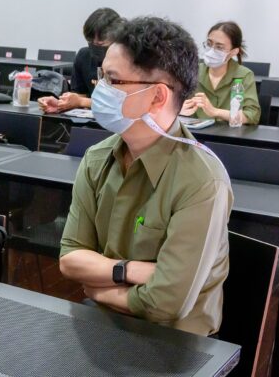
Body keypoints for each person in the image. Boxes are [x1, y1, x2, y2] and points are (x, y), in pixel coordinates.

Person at [59, 17, 233, 336]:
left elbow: (167, 303)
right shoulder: (97, 158)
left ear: (157, 97)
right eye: (102, 76)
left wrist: (98, 289)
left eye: (113, 80)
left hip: (176, 340)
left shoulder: (202, 181)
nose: (100, 89)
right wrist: (131, 270)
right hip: (104, 323)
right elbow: (70, 258)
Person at [38, 7, 122, 113]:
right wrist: (61, 104)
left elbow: (120, 103)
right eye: (91, 42)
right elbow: (79, 96)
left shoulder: (126, 61)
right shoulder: (84, 56)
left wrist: (81, 101)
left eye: (101, 43)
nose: (95, 45)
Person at [181, 21, 260, 125]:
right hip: (195, 132)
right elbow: (174, 103)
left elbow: (252, 116)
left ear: (233, 52)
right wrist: (179, 109)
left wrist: (215, 112)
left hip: (228, 133)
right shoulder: (194, 70)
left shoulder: (244, 75)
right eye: (209, 44)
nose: (211, 50)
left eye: (219, 47)